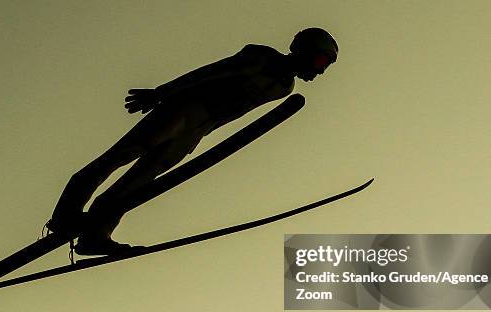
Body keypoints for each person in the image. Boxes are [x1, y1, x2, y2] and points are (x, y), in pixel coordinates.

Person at [47, 27, 339, 255]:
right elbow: (211, 72)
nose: (321, 70)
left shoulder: (284, 87)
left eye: (325, 64)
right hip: (182, 110)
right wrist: (161, 93)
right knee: (118, 157)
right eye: (320, 60)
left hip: (198, 129)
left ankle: (96, 235)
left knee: (138, 183)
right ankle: (65, 216)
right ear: (303, 50)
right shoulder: (262, 58)